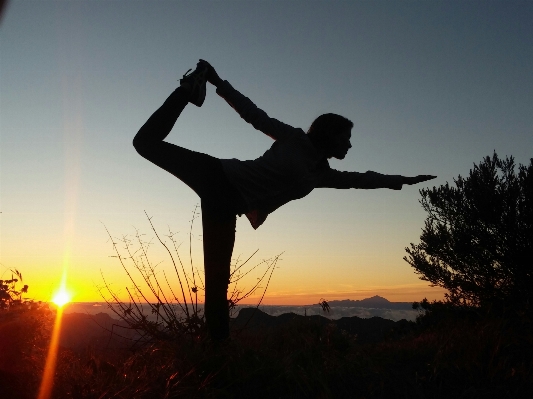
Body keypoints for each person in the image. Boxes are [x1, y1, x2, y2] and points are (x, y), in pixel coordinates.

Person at [133, 60, 436, 341]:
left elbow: (359, 180)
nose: (349, 144)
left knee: (217, 285)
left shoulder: (319, 175)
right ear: (328, 135)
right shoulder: (294, 138)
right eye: (345, 137)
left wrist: (401, 181)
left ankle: (217, 357)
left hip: (226, 205)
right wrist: (215, 81)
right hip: (219, 175)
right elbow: (254, 115)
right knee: (145, 143)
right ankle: (189, 90)